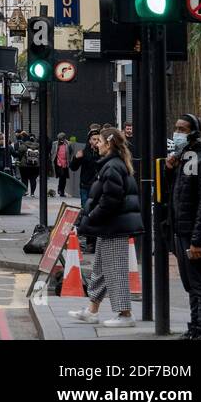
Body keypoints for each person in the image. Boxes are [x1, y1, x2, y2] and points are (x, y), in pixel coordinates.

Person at [69, 126, 143, 327]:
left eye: (100, 142)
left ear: (109, 144)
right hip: (109, 226)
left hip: (114, 226)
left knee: (115, 270)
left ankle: (125, 314)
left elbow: (110, 200)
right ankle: (92, 310)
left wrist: (92, 216)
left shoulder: (112, 167)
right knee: (101, 270)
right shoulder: (112, 164)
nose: (97, 145)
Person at [169, 113, 201, 339]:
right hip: (182, 230)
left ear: (193, 133)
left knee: (200, 283)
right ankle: (196, 326)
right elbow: (179, 194)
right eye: (177, 129)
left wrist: (198, 239)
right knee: (191, 283)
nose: (177, 133)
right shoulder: (187, 159)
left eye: (182, 129)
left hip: (193, 233)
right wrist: (170, 169)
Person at [70, 130, 103, 210]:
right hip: (85, 186)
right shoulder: (84, 152)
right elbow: (73, 168)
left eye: (98, 139)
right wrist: (76, 158)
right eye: (94, 139)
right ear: (90, 140)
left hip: (99, 187)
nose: (96, 141)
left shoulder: (102, 152)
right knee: (86, 210)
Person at [14, 131, 41, 195]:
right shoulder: (38, 145)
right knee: (33, 179)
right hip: (35, 165)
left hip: (24, 165)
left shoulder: (23, 145)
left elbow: (19, 154)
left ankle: (25, 191)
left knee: (24, 179)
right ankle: (32, 193)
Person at [50, 131, 73, 197]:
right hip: (58, 162)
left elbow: (71, 152)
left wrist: (70, 160)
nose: (60, 140)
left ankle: (61, 190)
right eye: (59, 139)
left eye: (62, 139)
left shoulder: (68, 144)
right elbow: (52, 152)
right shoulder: (55, 143)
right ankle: (61, 190)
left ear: (64, 138)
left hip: (65, 162)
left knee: (64, 178)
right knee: (62, 176)